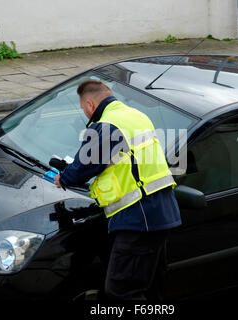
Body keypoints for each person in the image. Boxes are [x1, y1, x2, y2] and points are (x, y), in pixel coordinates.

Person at [54, 79, 182, 300]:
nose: (85, 114)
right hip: (160, 212)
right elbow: (127, 162)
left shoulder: (108, 124)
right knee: (152, 287)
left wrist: (63, 177)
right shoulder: (137, 116)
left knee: (121, 292)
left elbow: (83, 167)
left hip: (138, 218)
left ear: (91, 105)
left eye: (84, 108)